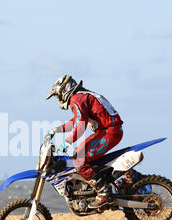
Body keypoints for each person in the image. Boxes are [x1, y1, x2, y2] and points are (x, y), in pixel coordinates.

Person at [46, 75, 123, 208]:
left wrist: (67, 143)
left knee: (78, 159)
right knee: (79, 155)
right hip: (108, 131)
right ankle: (98, 185)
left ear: (65, 90)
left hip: (109, 132)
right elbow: (76, 122)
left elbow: (80, 126)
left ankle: (104, 192)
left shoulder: (76, 99)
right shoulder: (82, 96)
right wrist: (54, 130)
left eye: (58, 96)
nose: (59, 100)